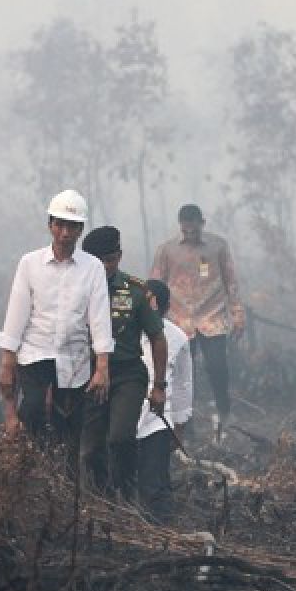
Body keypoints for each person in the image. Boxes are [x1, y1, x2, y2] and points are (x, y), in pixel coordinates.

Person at [0, 190, 113, 463]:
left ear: (80, 230)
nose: (64, 233)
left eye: (72, 226)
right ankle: (33, 465)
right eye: (60, 224)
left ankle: (63, 484)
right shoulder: (30, 264)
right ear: (50, 225)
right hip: (35, 352)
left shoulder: (92, 268)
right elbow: (17, 312)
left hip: (74, 358)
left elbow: (99, 318)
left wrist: (102, 367)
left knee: (69, 427)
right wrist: (7, 360)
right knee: (34, 409)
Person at [80, 225, 166, 499]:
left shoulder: (137, 292)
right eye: (98, 261)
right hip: (87, 374)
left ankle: (127, 492)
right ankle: (100, 498)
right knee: (90, 448)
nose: (104, 267)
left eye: (110, 260)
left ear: (119, 256)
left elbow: (157, 338)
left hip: (127, 374)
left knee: (120, 437)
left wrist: (159, 386)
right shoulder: (75, 289)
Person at [150, 204, 245, 441]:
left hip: (212, 318)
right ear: (180, 224)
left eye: (194, 224)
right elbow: (155, 283)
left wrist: (238, 313)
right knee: (181, 373)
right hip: (179, 320)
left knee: (217, 369)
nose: (190, 229)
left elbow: (231, 281)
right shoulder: (167, 250)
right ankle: (184, 423)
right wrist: (152, 316)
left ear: (202, 222)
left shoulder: (218, 247)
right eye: (186, 224)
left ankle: (225, 413)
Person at [136, 279, 193, 522]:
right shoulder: (124, 331)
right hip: (123, 414)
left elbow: (183, 384)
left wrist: (179, 427)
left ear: (166, 309)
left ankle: (160, 531)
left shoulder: (177, 338)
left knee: (155, 481)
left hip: (157, 419)